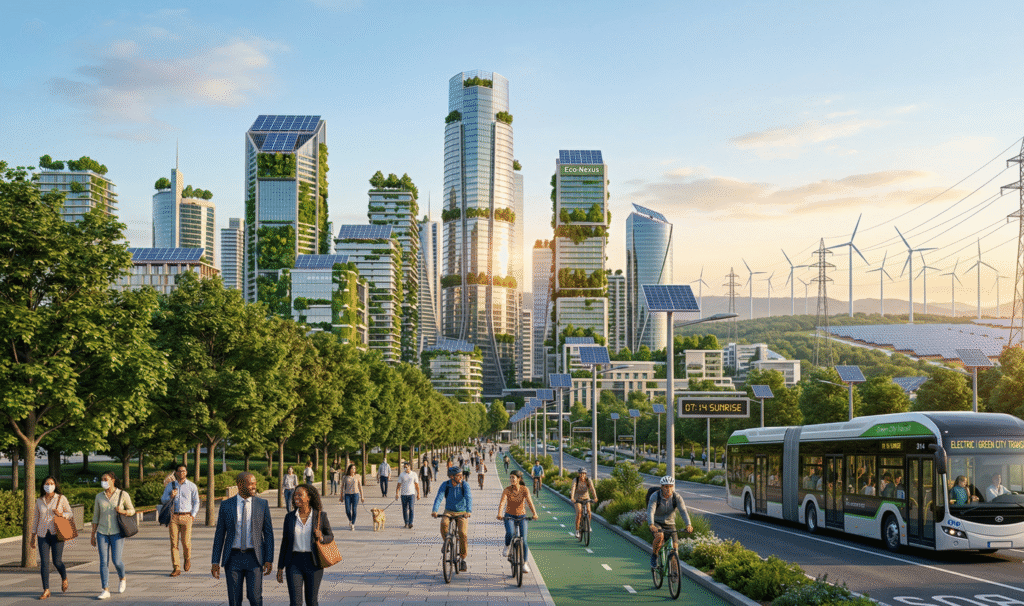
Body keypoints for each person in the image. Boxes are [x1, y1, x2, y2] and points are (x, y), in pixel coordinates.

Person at [212, 472, 274, 606]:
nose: (254, 486)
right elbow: (219, 534)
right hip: (233, 558)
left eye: (255, 483)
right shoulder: (226, 505)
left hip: (255, 558)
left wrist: (269, 559)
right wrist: (215, 561)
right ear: (240, 485)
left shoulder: (262, 504)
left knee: (255, 598)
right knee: (234, 600)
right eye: (251, 484)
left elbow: (268, 533)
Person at [277, 485, 333, 606]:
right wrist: (280, 567)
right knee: (295, 602)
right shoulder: (289, 517)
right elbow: (285, 543)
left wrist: (321, 537)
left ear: (309, 497)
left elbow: (330, 536)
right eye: (295, 495)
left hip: (314, 563)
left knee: (311, 601)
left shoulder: (320, 516)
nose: (296, 497)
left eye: (300, 495)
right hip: (293, 563)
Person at [91, 472, 135, 600]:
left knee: (116, 561)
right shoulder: (99, 496)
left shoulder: (122, 494)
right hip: (102, 533)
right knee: (103, 562)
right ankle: (105, 589)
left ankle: (122, 577)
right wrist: (93, 535)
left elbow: (132, 510)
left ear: (113, 480)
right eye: (102, 479)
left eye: (106, 479)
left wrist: (123, 511)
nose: (103, 481)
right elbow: (95, 517)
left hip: (117, 533)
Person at [32, 476, 73, 600]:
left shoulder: (61, 498)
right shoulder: (39, 501)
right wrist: (33, 536)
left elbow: (70, 513)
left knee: (57, 561)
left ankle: (64, 577)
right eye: (47, 483)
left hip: (57, 533)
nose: (49, 485)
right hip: (42, 534)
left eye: (51, 483)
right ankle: (46, 590)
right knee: (44, 563)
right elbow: (35, 519)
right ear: (43, 486)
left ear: (55, 485)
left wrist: (61, 514)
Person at [161, 464, 200, 577]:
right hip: (173, 517)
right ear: (176, 473)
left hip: (187, 517)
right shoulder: (170, 485)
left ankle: (187, 559)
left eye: (183, 471)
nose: (181, 473)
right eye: (179, 471)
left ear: (186, 472)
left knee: (186, 543)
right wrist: (170, 496)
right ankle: (176, 567)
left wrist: (193, 515)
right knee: (174, 543)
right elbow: (163, 499)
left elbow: (196, 501)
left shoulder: (192, 486)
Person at [432, 466, 473, 572]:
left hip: (462, 512)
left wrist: (468, 511)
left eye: (461, 475)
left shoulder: (464, 485)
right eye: (458, 475)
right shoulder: (445, 485)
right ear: (451, 477)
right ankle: (447, 542)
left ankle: (463, 559)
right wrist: (435, 510)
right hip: (449, 511)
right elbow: (439, 497)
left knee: (462, 533)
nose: (461, 477)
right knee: (443, 523)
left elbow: (468, 497)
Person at [496, 470, 538, 574]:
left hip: (522, 516)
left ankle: (525, 563)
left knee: (524, 540)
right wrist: (499, 513)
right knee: (510, 533)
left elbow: (529, 502)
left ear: (518, 479)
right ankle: (507, 546)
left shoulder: (524, 489)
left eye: (513, 477)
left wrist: (534, 513)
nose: (511, 479)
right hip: (509, 516)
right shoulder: (507, 490)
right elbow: (502, 502)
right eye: (510, 477)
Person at [647, 476, 693, 569]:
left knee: (675, 548)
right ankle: (654, 555)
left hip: (670, 523)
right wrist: (651, 524)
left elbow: (683, 511)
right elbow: (650, 511)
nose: (668, 489)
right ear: (661, 487)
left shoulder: (677, 497)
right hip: (657, 522)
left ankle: (675, 572)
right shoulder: (655, 496)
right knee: (660, 536)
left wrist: (688, 524)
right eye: (666, 486)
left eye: (671, 486)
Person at [571, 468, 597, 538]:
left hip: (586, 498)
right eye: (581, 473)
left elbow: (592, 489)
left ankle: (588, 525)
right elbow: (573, 488)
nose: (582, 475)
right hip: (577, 498)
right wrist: (572, 497)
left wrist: (595, 497)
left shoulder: (588, 480)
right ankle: (577, 531)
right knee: (579, 513)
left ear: (585, 474)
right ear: (579, 474)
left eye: (584, 473)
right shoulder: (576, 480)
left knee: (589, 512)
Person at [396, 463, 421, 529]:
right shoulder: (402, 474)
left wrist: (418, 493)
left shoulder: (414, 474)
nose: (405, 468)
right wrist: (397, 493)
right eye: (404, 467)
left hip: (411, 494)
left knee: (411, 508)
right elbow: (398, 485)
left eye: (406, 467)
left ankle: (410, 522)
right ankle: (406, 522)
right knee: (404, 509)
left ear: (409, 467)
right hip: (403, 494)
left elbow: (417, 485)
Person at [339, 464, 364, 531]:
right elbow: (342, 487)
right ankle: (350, 519)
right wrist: (341, 496)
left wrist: (362, 496)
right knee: (347, 510)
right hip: (347, 495)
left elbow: (360, 486)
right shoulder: (345, 477)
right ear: (349, 469)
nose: (353, 470)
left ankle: (353, 524)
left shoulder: (358, 476)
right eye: (352, 468)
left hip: (355, 494)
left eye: (354, 468)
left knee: (354, 509)